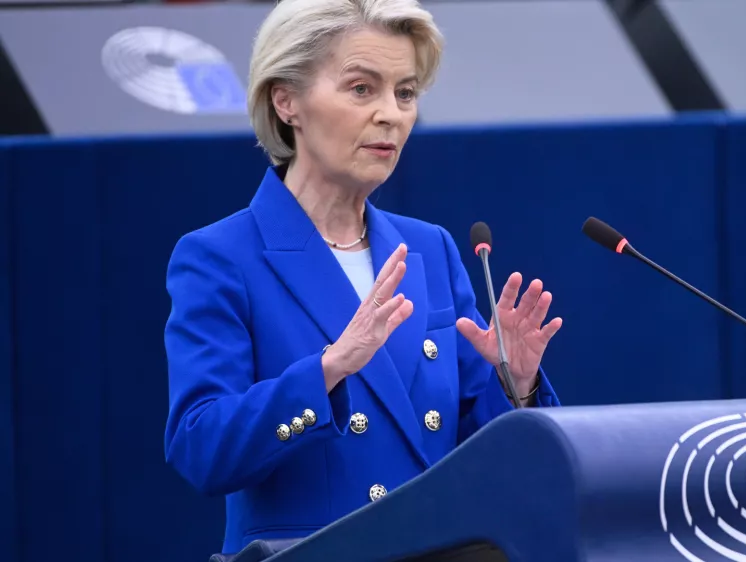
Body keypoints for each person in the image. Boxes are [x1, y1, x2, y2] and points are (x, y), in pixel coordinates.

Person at [162, 0, 563, 555]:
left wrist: (515, 387)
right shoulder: (220, 257)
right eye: (361, 89)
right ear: (287, 101)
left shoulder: (429, 248)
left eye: (405, 93)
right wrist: (327, 371)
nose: (391, 115)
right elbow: (202, 449)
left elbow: (491, 453)